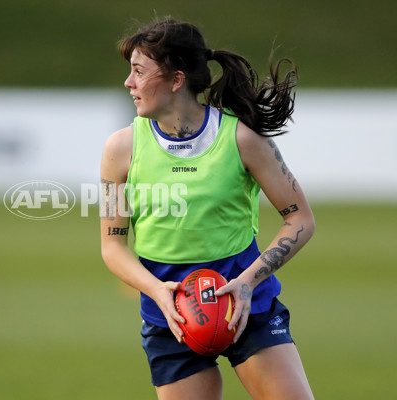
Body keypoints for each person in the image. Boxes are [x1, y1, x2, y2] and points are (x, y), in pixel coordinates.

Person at [100, 17, 316, 400]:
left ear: (176, 79)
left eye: (138, 71)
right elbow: (112, 245)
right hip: (171, 318)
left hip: (247, 308)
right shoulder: (119, 149)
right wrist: (157, 291)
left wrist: (248, 282)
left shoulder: (243, 139)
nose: (128, 84)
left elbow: (299, 218)